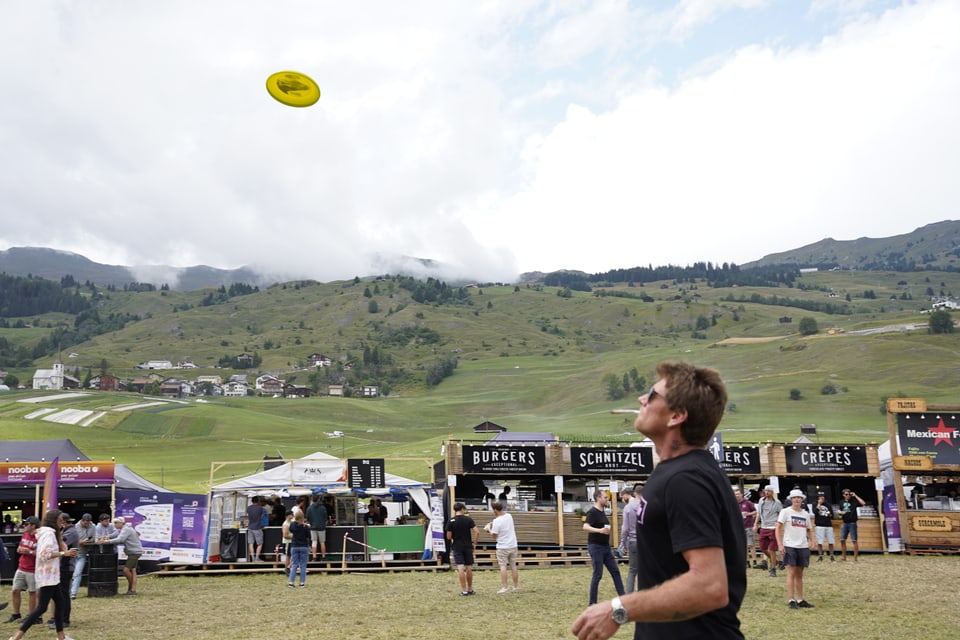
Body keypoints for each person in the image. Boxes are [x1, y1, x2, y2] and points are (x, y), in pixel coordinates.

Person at [572, 361, 746, 640]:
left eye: (652, 395)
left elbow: (709, 585)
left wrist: (619, 607)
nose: (641, 399)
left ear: (676, 415)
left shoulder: (686, 479)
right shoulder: (678, 472)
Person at [9, 509, 77, 640]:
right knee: (41, 608)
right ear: (54, 520)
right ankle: (17, 636)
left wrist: (62, 544)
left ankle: (61, 636)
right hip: (47, 576)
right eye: (60, 519)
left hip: (52, 575)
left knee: (60, 603)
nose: (62, 522)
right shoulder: (48, 534)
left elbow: (53, 546)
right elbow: (44, 555)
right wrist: (64, 554)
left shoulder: (50, 533)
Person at [776, 489, 816, 609]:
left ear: (802, 499)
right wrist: (780, 544)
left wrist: (812, 540)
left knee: (800, 574)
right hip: (790, 545)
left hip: (803, 546)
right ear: (791, 499)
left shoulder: (805, 514)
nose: (797, 499)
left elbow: (809, 529)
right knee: (791, 572)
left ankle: (800, 599)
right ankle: (791, 599)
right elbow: (777, 527)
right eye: (794, 497)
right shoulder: (785, 512)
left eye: (799, 497)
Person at [584, 490, 626, 605]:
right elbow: (585, 526)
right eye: (605, 497)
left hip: (606, 547)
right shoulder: (592, 512)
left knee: (615, 572)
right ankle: (592, 603)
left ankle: (624, 599)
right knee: (598, 574)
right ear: (598, 498)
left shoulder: (602, 512)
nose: (607, 499)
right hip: (596, 547)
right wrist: (599, 530)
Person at [5, 517, 39, 626]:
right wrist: (20, 549)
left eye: (27, 524)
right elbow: (20, 546)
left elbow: (41, 553)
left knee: (32, 593)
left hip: (33, 569)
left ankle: (31, 616)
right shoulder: (25, 534)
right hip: (21, 566)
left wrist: (28, 551)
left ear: (33, 525)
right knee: (15, 590)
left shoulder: (39, 537)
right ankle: (16, 614)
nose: (24, 526)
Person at [47, 513, 77, 629]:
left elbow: (60, 544)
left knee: (64, 594)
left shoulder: (70, 532)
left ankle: (64, 620)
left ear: (63, 522)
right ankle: (59, 618)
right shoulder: (69, 531)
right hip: (64, 566)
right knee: (61, 594)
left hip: (66, 566)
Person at [445, 502, 478, 596]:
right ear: (463, 509)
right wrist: (474, 543)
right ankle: (470, 589)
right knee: (469, 567)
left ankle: (464, 590)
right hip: (468, 545)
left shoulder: (451, 521)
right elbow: (477, 532)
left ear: (454, 510)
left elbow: (448, 537)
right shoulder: (468, 519)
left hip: (457, 546)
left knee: (460, 568)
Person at [485, 501, 519, 593]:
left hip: (502, 546)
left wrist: (489, 529)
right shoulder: (509, 516)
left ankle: (505, 587)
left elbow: (494, 535)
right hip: (513, 544)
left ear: (495, 510)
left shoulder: (497, 521)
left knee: (503, 566)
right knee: (513, 565)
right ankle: (515, 587)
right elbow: (503, 521)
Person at [108, 518, 142, 596]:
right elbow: (116, 536)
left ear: (121, 523)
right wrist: (108, 537)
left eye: (116, 523)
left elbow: (120, 539)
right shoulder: (126, 528)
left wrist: (107, 541)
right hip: (134, 552)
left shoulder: (126, 529)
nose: (115, 524)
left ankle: (131, 587)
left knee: (126, 570)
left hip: (134, 552)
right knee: (133, 571)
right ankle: (132, 590)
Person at [618, 485, 642, 593]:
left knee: (632, 570)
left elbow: (625, 529)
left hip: (633, 541)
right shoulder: (646, 506)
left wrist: (622, 543)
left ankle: (629, 596)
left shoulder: (628, 508)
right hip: (645, 542)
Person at [755, 485, 782, 576]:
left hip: (773, 527)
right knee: (762, 547)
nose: (767, 492)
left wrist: (778, 524)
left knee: (772, 549)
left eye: (769, 491)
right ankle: (775, 561)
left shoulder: (777, 502)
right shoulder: (761, 501)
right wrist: (755, 524)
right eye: (766, 491)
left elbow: (781, 514)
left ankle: (773, 568)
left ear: (772, 492)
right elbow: (758, 513)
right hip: (763, 526)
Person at [69, 514, 95, 599]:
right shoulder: (75, 527)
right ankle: (68, 591)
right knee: (70, 573)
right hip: (73, 553)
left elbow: (94, 538)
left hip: (83, 553)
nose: (87, 524)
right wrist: (80, 542)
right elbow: (72, 540)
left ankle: (73, 593)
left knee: (77, 573)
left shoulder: (93, 526)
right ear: (82, 520)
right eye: (85, 523)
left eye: (88, 523)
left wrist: (89, 540)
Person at [838, 488, 866, 561]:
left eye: (849, 494)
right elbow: (840, 512)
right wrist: (839, 513)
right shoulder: (841, 502)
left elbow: (863, 503)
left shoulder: (853, 501)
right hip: (845, 522)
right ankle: (844, 557)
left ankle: (855, 558)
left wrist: (855, 496)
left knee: (854, 540)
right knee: (842, 539)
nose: (848, 496)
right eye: (846, 494)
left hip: (852, 522)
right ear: (843, 495)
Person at [734, 489, 758, 568]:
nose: (737, 495)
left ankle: (754, 561)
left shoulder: (747, 503)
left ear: (742, 495)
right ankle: (747, 562)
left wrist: (748, 514)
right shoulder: (733, 504)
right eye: (735, 494)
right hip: (739, 527)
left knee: (751, 545)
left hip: (748, 526)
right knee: (743, 545)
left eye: (738, 494)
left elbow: (755, 512)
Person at [287, 510, 310, 588]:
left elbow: (290, 530)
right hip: (303, 546)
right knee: (303, 565)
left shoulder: (293, 525)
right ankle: (302, 583)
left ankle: (291, 582)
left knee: (294, 565)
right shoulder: (305, 526)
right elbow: (308, 536)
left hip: (294, 546)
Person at [813, 493, 836, 562]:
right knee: (820, 541)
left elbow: (832, 516)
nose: (821, 498)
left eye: (822, 497)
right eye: (819, 497)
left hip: (828, 524)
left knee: (831, 541)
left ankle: (831, 555)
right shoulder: (815, 504)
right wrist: (819, 504)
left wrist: (829, 514)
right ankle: (820, 556)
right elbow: (815, 512)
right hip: (819, 525)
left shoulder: (828, 505)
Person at [305, 494, 328, 561]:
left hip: (313, 527)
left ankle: (314, 557)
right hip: (321, 527)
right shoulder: (323, 508)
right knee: (322, 542)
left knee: (314, 542)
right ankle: (323, 557)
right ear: (318, 499)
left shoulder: (309, 508)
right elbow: (325, 518)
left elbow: (308, 519)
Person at [246, 495, 266, 562]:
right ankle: (257, 558)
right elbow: (261, 516)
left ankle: (252, 558)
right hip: (257, 527)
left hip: (250, 527)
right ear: (258, 501)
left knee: (251, 543)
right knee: (260, 543)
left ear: (252, 501)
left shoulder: (248, 508)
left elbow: (248, 517)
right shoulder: (260, 508)